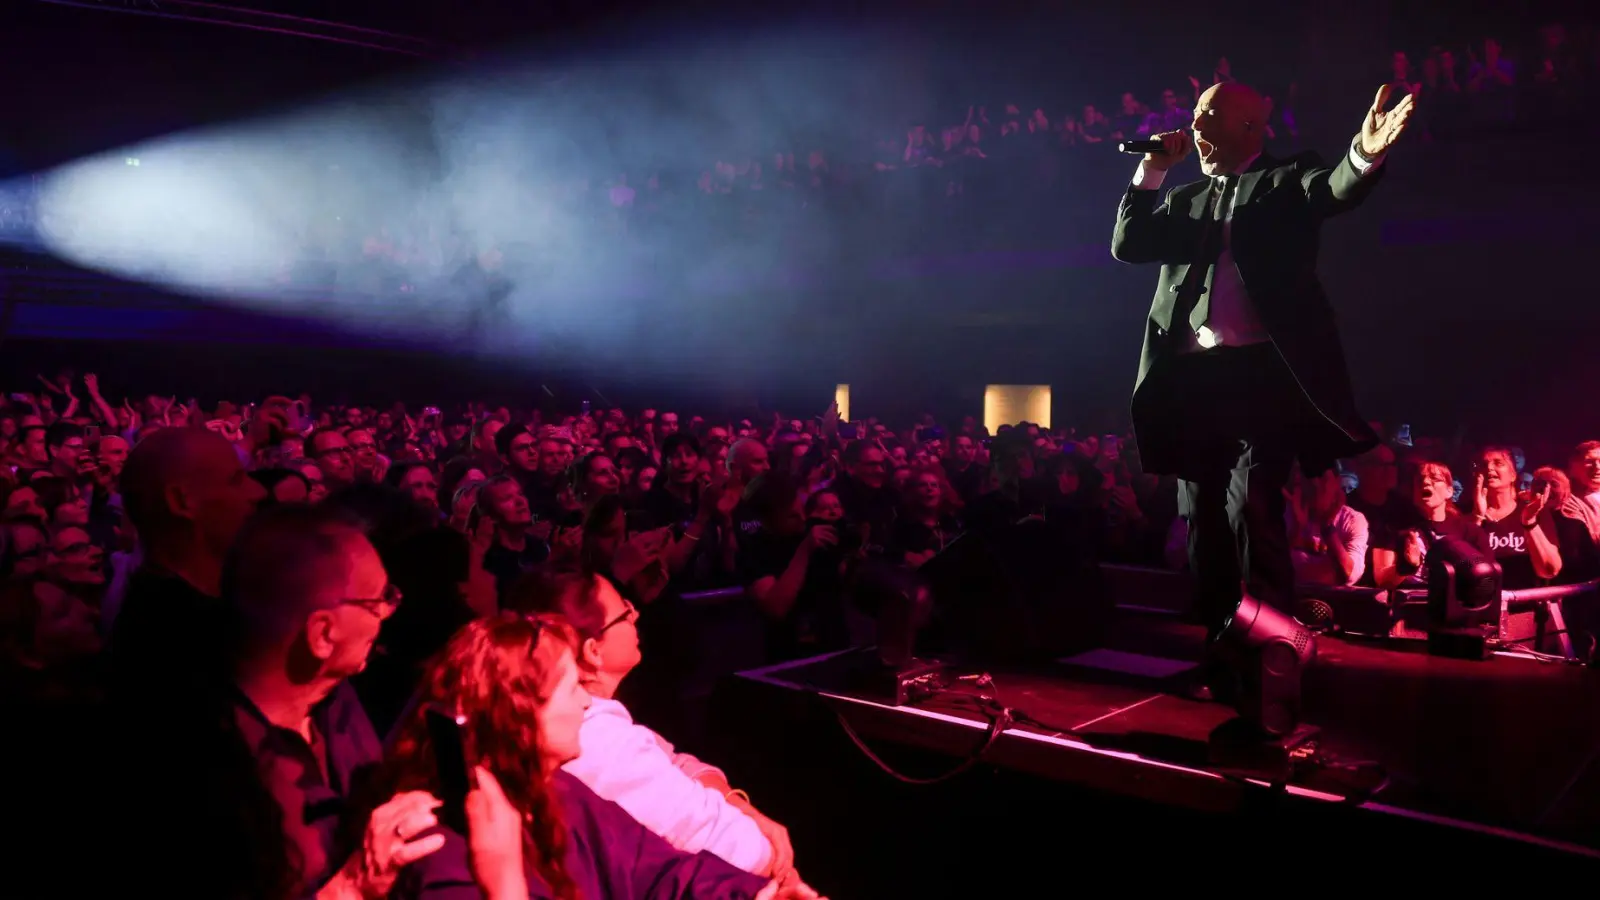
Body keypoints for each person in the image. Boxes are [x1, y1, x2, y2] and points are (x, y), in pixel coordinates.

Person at [1110, 81, 1414, 639]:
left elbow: (1335, 190)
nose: (1195, 129)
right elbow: (1128, 244)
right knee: (1199, 505)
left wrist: (1365, 153)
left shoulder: (1285, 179)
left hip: (1261, 374)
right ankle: (1213, 620)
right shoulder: (1186, 199)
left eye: (1210, 117)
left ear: (1250, 127)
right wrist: (1151, 171)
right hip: (1194, 376)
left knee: (1251, 501)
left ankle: (1267, 630)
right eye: (1196, 117)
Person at [386, 613, 823, 900]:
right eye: (573, 688)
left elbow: (658, 870)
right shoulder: (436, 843)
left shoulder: (560, 790)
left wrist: (750, 896)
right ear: (521, 712)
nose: (586, 704)